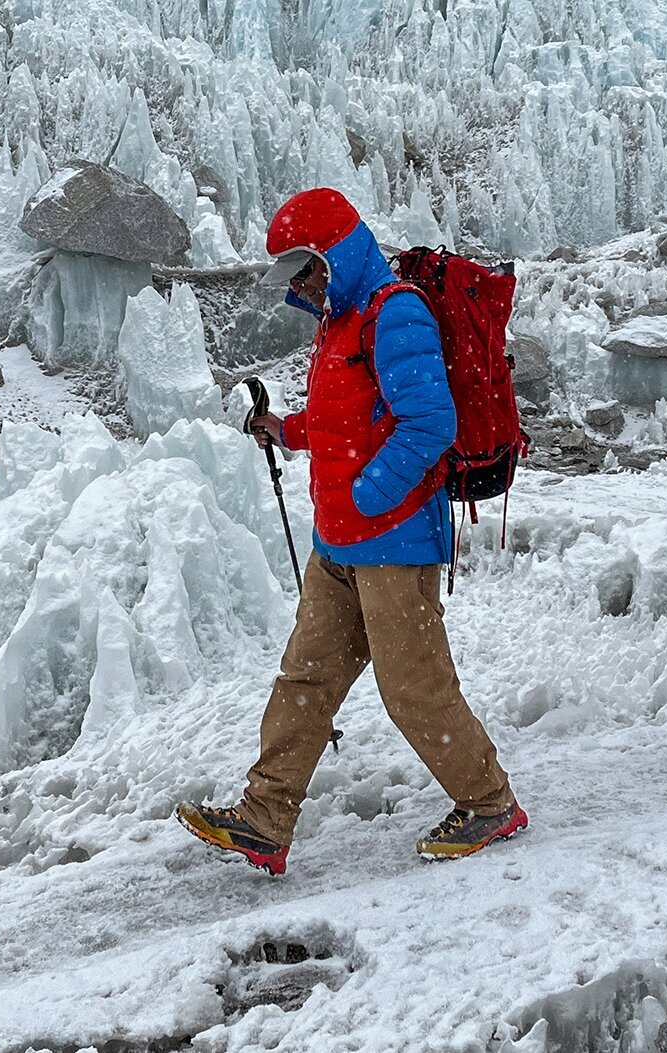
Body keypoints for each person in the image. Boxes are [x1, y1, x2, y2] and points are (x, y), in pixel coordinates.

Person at [175, 188, 525, 875]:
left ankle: (490, 802)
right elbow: (348, 421)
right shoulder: (341, 323)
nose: (303, 283)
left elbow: (431, 424)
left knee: (414, 688)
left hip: (395, 544)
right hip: (338, 545)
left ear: (339, 252)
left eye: (309, 267)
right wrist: (289, 430)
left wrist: (370, 493)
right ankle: (265, 820)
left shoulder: (396, 314)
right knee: (304, 679)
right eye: (295, 273)